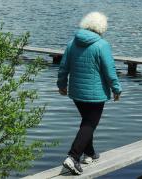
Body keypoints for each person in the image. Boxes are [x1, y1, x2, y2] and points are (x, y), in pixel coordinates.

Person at [57, 11, 122, 175]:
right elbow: (110, 71)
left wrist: (61, 84)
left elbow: (63, 66)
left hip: (77, 93)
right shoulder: (102, 45)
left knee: (87, 122)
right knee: (89, 124)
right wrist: (116, 89)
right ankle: (73, 157)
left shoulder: (72, 43)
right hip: (95, 95)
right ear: (102, 27)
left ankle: (90, 153)